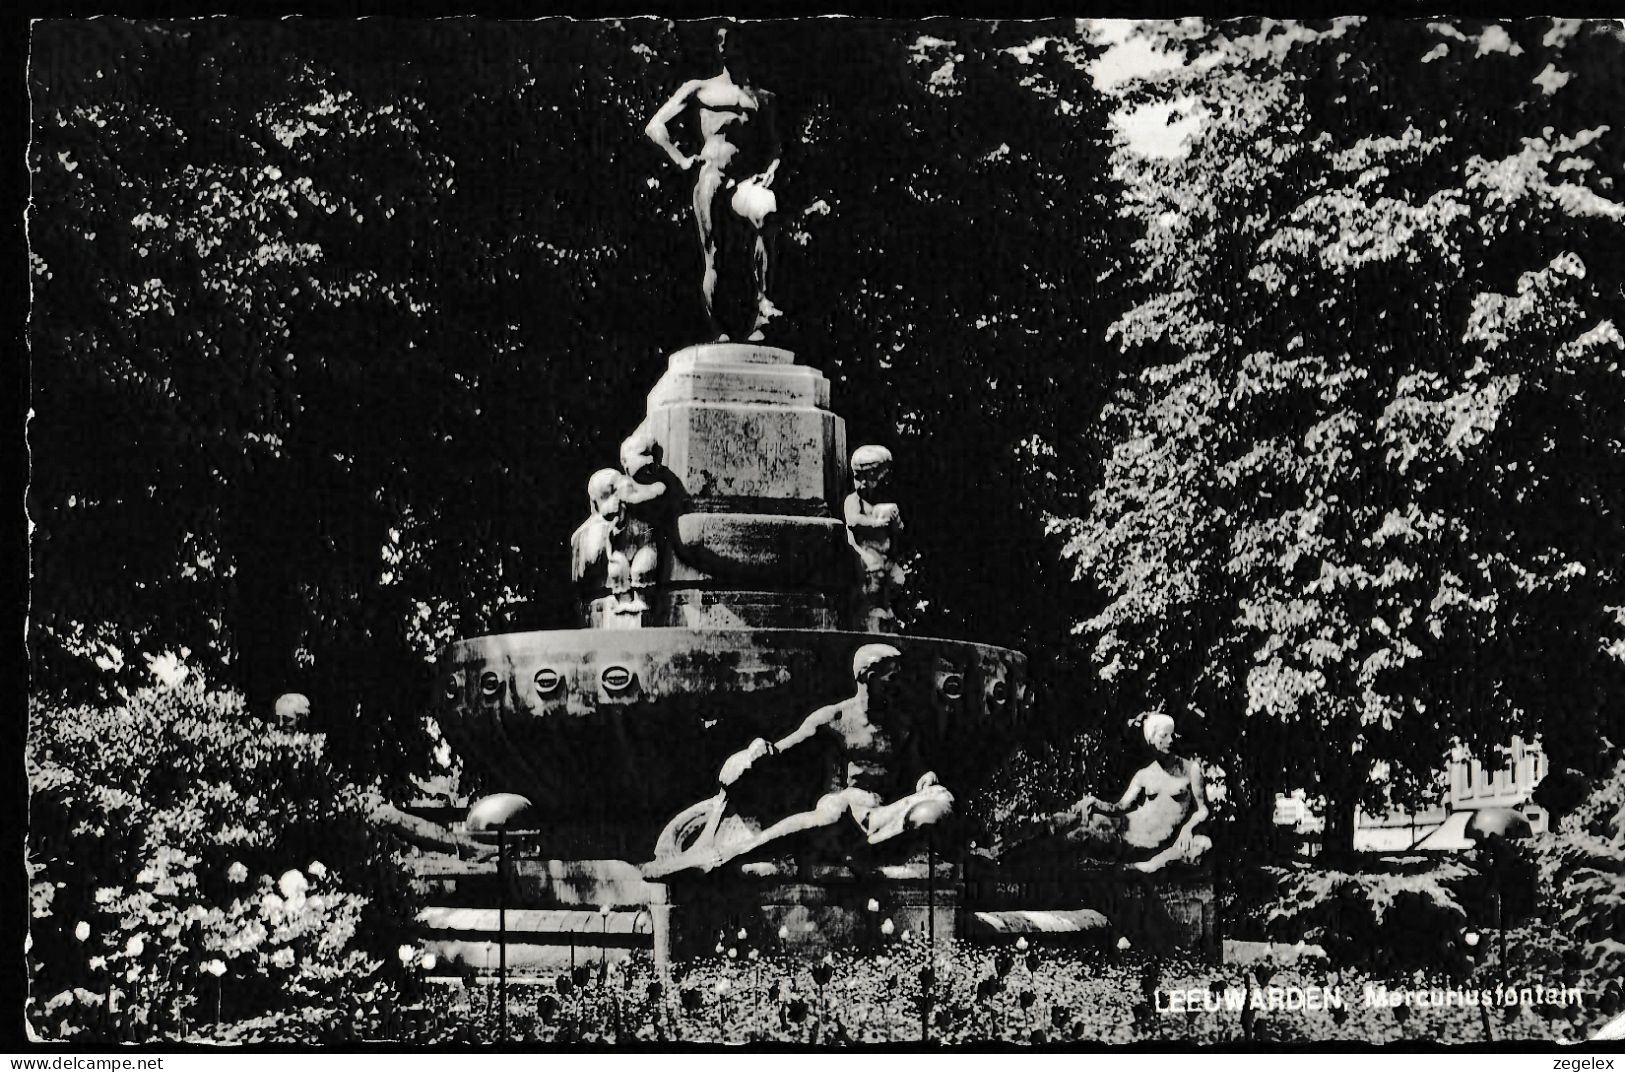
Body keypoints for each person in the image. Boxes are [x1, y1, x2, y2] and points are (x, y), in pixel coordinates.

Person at [644, 644, 952, 877]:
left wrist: (926, 777)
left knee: (939, 800)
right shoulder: (835, 718)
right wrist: (758, 751)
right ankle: (725, 857)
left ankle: (873, 857)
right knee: (835, 812)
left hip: (880, 812)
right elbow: (785, 749)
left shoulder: (901, 725)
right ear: (867, 678)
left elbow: (916, 767)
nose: (896, 687)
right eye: (890, 679)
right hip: (841, 805)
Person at [645, 26, 781, 342]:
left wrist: (772, 168)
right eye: (718, 41)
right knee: (715, 255)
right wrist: (678, 158)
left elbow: (775, 145)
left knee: (768, 214)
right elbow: (655, 125)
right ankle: (719, 330)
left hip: (745, 180)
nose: (723, 46)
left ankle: (764, 306)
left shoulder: (761, 98)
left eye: (729, 40)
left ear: (741, 43)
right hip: (712, 174)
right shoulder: (700, 89)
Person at [999, 713, 1211, 873]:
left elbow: (1203, 810)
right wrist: (1095, 802)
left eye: (1172, 735)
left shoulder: (1190, 770)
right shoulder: (1145, 774)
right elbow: (1120, 807)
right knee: (1063, 819)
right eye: (1164, 736)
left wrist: (1188, 828)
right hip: (1125, 825)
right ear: (1152, 740)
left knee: (1081, 835)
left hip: (1138, 841)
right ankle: (1002, 849)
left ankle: (1017, 861)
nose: (1170, 740)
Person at [844, 445, 905, 632]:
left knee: (896, 579)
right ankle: (870, 612)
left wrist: (895, 522)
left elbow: (898, 530)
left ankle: (886, 609)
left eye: (869, 478)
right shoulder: (854, 501)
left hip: (885, 553)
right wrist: (875, 524)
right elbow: (853, 521)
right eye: (857, 477)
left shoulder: (884, 505)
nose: (862, 483)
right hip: (864, 551)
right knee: (874, 576)